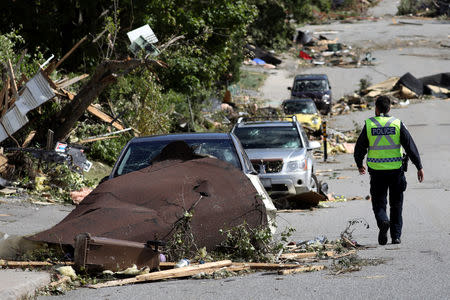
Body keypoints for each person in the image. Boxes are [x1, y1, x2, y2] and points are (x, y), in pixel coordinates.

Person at [354, 96, 424, 245]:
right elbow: (410, 146)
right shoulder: (397, 124)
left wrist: (359, 164)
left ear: (376, 108)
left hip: (377, 171)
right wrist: (419, 166)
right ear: (390, 108)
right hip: (396, 171)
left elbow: (360, 147)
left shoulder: (370, 124)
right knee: (396, 204)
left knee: (379, 203)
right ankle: (396, 236)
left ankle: (383, 221)